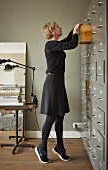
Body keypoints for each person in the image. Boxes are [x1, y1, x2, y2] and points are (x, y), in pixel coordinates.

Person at [35, 21, 81, 163]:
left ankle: (59, 147)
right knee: (51, 117)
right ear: (53, 31)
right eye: (58, 27)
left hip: (58, 82)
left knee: (60, 116)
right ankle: (42, 148)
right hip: (52, 83)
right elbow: (71, 44)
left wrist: (74, 31)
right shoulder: (50, 44)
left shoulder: (56, 45)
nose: (60, 28)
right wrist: (74, 32)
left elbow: (67, 41)